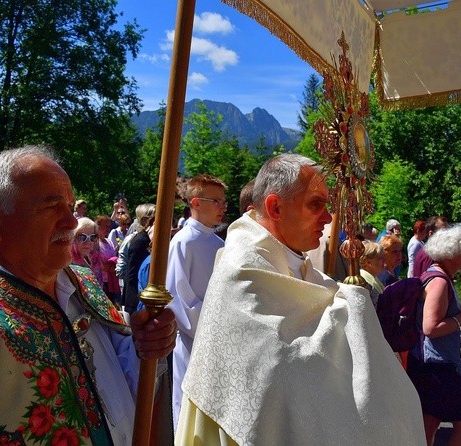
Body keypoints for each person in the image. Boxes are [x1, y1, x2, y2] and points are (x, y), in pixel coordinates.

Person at [175, 153, 425, 445]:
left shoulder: (291, 257)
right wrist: (355, 307)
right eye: (316, 204)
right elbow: (283, 366)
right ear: (275, 207)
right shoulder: (242, 268)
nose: (328, 217)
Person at [0, 146, 177, 445]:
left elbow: (125, 379)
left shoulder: (85, 286)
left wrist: (146, 344)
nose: (72, 222)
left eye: (68, 206)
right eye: (51, 207)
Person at [407, 224, 461, 446]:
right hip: (436, 365)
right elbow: (431, 328)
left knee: (429, 422)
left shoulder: (437, 276)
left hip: (428, 363)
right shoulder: (439, 281)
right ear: (453, 253)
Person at [166, 174, 228, 429]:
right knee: (190, 413)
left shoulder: (219, 243)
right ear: (195, 203)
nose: (223, 207)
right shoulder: (183, 242)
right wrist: (212, 322)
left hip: (219, 339)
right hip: (194, 339)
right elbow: (177, 296)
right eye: (215, 201)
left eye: (224, 201)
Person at [122, 203, 155, 312]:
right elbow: (133, 274)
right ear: (146, 220)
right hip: (136, 302)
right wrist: (133, 305)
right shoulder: (141, 241)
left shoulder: (146, 240)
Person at [359, 240, 385, 306]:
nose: (384, 261)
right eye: (380, 258)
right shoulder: (363, 282)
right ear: (368, 262)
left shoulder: (374, 278)